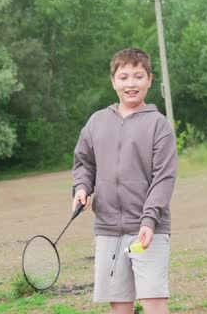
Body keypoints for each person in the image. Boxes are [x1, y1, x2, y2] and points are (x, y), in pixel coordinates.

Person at [72, 48, 178, 314]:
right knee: (119, 306)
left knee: (153, 302)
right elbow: (85, 162)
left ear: (150, 80)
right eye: (124, 77)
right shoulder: (97, 122)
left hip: (148, 230)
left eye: (138, 76)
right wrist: (82, 188)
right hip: (108, 229)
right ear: (113, 81)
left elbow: (163, 178)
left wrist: (149, 220)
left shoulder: (159, 125)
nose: (131, 83)